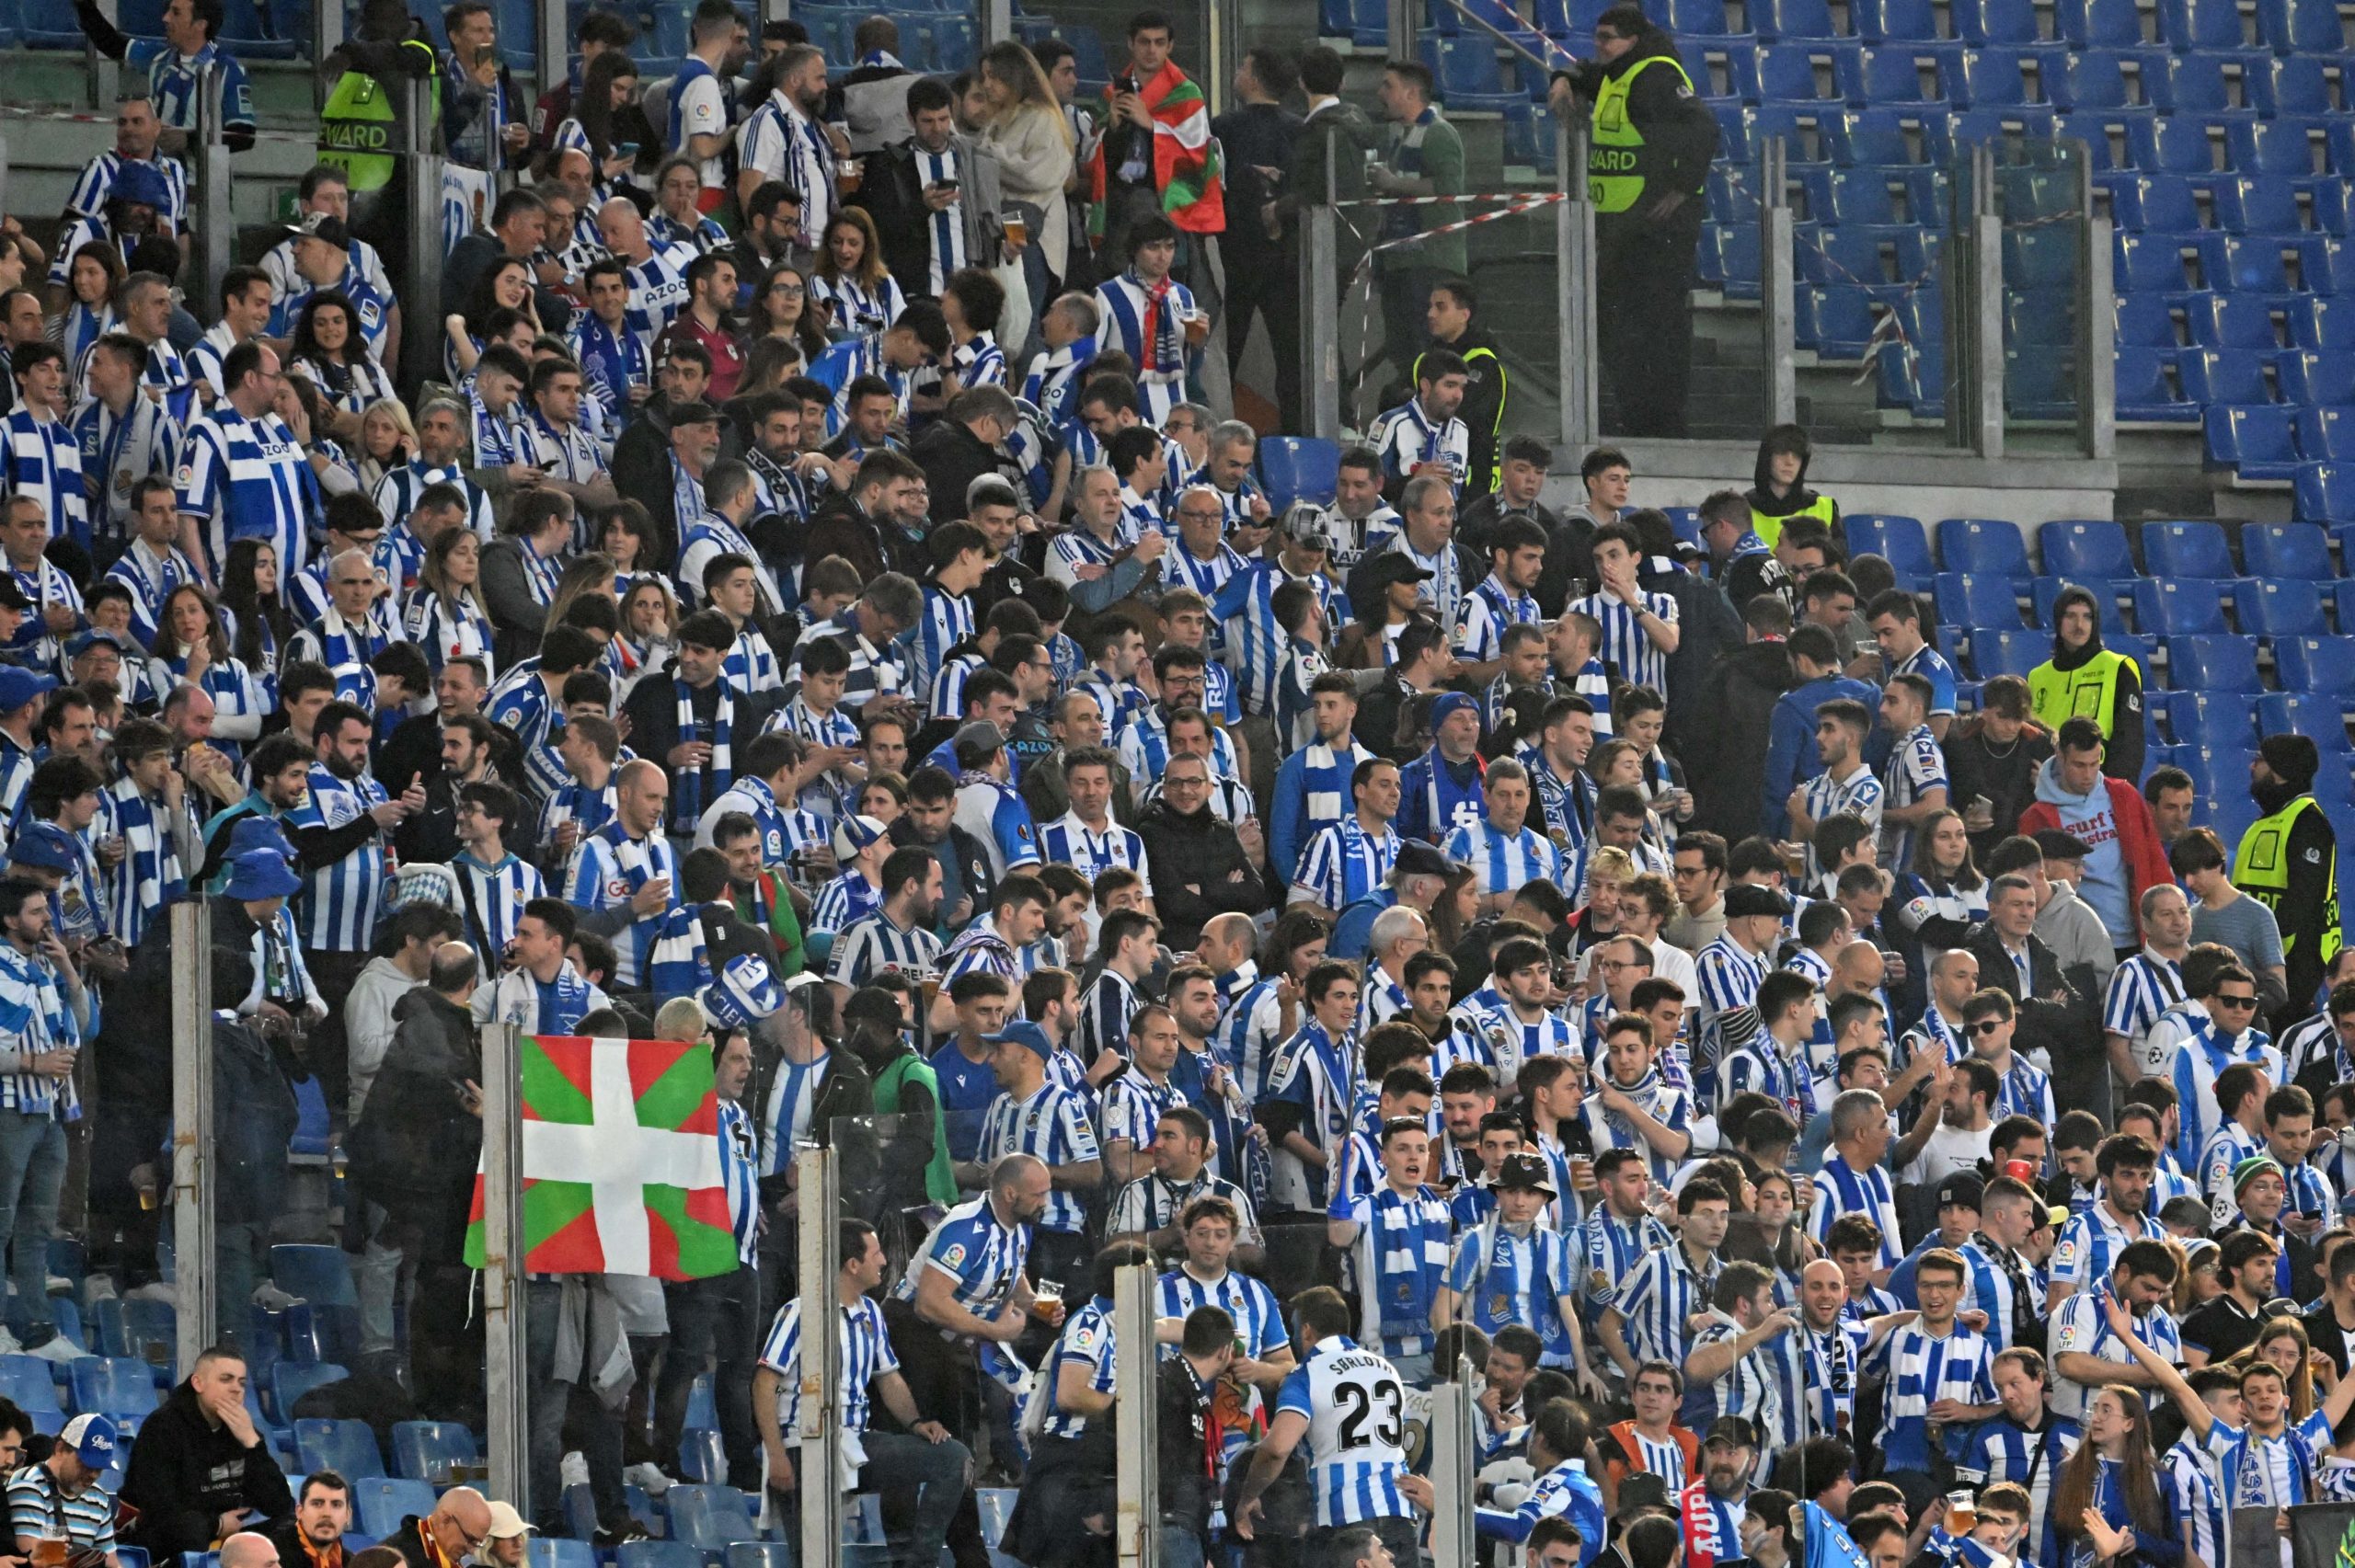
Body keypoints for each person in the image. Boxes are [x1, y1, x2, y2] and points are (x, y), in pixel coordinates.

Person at [755, 1218, 971, 1566]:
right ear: (853, 1265)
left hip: (855, 1442)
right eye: (876, 1253)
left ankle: (918, 1563)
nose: (884, 1260)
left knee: (951, 1457)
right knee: (808, 1557)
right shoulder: (800, 1312)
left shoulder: (871, 1311)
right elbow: (764, 1384)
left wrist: (916, 1422)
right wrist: (776, 1455)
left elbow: (889, 1378)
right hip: (802, 1447)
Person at [1547, 6, 1715, 436]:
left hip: (1657, 233)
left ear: (1633, 41)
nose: (1598, 45)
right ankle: (1637, 416)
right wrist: (1561, 79)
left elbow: (1704, 128)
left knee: (1653, 331)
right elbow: (1584, 72)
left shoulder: (1654, 76)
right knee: (1620, 330)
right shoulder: (1619, 71)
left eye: (1608, 38)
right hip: (1624, 229)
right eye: (1597, 36)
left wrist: (1681, 187)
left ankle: (1660, 423)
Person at [1232, 1285, 1431, 1562]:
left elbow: (1277, 1448)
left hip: (1343, 1521)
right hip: (1397, 1514)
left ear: (1306, 1330)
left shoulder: (1306, 1374)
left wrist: (1247, 1498)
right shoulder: (1386, 1369)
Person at [120, 1345, 295, 1560]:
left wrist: (252, 1444)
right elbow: (162, 1511)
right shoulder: (162, 1427)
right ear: (198, 1383)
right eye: (226, 1379)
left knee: (292, 1527)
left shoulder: (243, 1430)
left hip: (227, 1530)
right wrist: (217, 1524)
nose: (236, 1389)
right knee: (189, 1529)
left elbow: (279, 1504)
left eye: (241, 1382)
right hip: (164, 1535)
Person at [2236, 732, 2341, 1029]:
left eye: (2260, 761)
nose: (2251, 767)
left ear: (2280, 773)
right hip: (2260, 961)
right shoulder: (2267, 820)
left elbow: (2301, 903)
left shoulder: (2308, 823)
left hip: (2289, 966)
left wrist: (2259, 949)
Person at [2027, 586, 2144, 784]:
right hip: (2046, 789)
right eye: (2070, 616)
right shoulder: (2037, 676)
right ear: (2058, 620)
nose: (2079, 625)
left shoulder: (2119, 667)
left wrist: (2114, 795)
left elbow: (2130, 744)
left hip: (2097, 792)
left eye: (2087, 617)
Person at [8, 1413, 121, 1566]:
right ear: (60, 1449)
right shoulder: (30, 1485)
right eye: (87, 1464)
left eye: (100, 1468)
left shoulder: (98, 1498)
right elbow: (34, 1561)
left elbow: (111, 1562)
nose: (94, 1474)